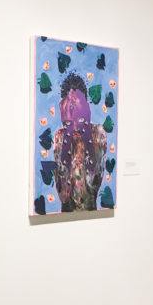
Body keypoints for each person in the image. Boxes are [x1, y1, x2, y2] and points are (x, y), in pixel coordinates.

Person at [53, 73, 107, 211]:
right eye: (70, 108)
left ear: (86, 106)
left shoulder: (98, 134)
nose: (75, 114)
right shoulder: (60, 137)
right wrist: (68, 129)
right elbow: (63, 194)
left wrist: (86, 130)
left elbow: (93, 186)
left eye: (78, 107)